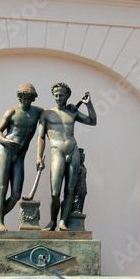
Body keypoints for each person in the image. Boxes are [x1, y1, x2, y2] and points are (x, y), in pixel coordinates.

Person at [37, 83, 96, 231]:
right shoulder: (47, 114)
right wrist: (39, 156)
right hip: (56, 152)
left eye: (61, 95)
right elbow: (41, 137)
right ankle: (52, 221)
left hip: (72, 151)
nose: (58, 98)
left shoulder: (72, 112)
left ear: (68, 96)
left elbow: (92, 121)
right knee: (55, 192)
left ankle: (63, 221)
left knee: (69, 190)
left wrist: (89, 105)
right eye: (56, 95)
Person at [0, 83, 43, 231]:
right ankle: (1, 223)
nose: (26, 100)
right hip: (5, 151)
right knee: (2, 188)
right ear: (19, 97)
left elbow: (54, 114)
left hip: (20, 156)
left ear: (33, 98)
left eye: (29, 98)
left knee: (16, 195)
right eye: (23, 97)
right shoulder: (12, 112)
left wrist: (71, 109)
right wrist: (4, 140)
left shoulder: (37, 112)